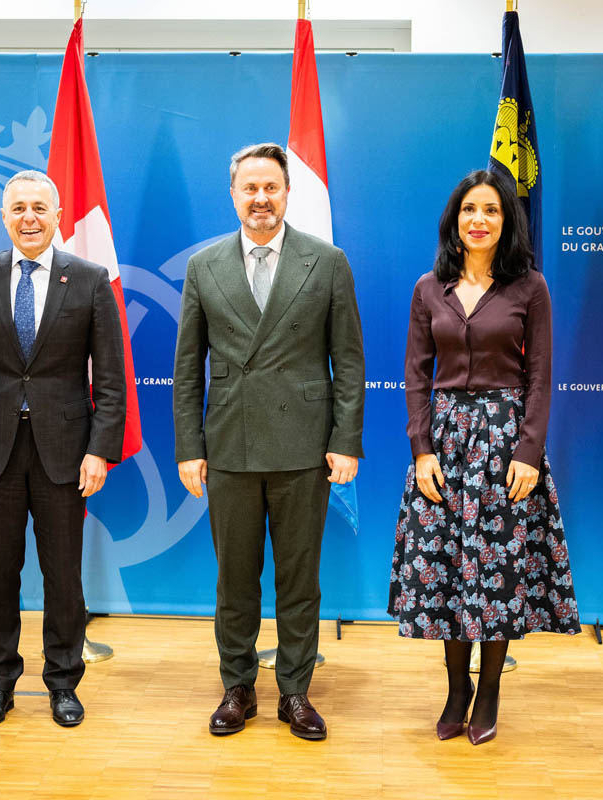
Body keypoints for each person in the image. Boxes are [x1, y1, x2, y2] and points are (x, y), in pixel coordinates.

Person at [173, 142, 365, 741]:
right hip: (229, 444)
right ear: (233, 195)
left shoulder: (326, 261)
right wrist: (189, 447)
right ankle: (237, 687)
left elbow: (349, 361)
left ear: (287, 193)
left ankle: (295, 692)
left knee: (299, 578)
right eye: (250, 188)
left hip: (304, 446)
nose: (261, 199)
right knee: (234, 579)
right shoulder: (203, 266)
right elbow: (187, 368)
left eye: (270, 188)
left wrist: (346, 440)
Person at [388, 169, 579, 746]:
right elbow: (416, 375)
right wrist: (422, 450)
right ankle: (457, 689)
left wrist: (529, 450)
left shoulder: (530, 287)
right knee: (448, 570)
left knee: (498, 573)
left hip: (505, 443)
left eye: (491, 210)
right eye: (469, 209)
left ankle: (490, 690)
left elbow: (540, 375)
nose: (479, 219)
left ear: (505, 221)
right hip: (445, 444)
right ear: (454, 221)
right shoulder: (428, 289)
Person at [0, 169, 126, 728]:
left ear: (58, 215)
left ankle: (63, 682)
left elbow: (111, 379)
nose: (29, 218)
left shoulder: (89, 279)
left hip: (65, 452)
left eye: (40, 208)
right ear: (3, 217)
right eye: (18, 208)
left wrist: (99, 450)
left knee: (64, 576)